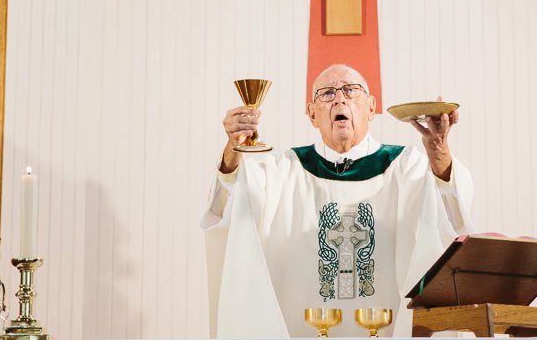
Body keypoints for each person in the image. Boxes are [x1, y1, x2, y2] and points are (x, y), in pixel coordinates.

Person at [202, 64, 473, 338]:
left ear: (371, 106)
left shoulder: (407, 166)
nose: (340, 99)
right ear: (312, 114)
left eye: (350, 90)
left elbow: (448, 219)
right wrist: (233, 149)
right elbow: (231, 207)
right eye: (328, 93)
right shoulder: (283, 171)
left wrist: (439, 154)